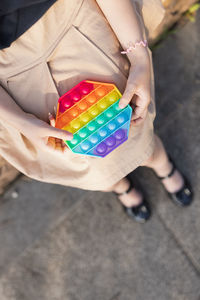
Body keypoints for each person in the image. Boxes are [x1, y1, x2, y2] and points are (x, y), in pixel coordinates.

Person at [0, 0, 193, 223]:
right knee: (84, 167)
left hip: (73, 24)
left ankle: (160, 163)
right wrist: (21, 122)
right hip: (12, 78)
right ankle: (118, 185)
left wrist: (139, 56)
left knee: (133, 131)